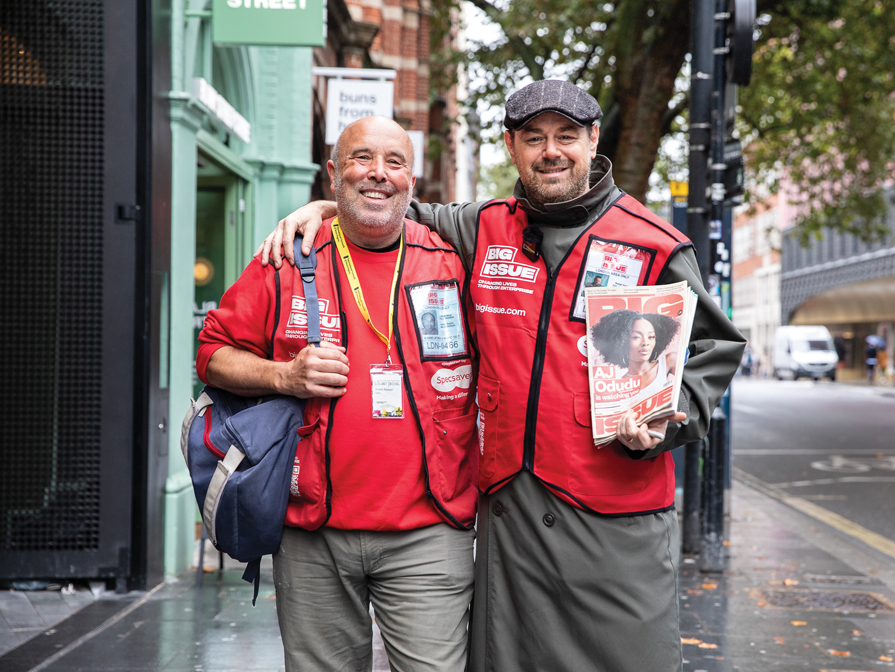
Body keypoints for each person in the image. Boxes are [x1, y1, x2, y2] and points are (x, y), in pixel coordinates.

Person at [260, 80, 746, 672]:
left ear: (593, 140)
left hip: (609, 520)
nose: (551, 151)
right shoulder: (482, 227)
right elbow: (392, 206)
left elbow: (714, 346)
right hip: (511, 518)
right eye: (534, 138)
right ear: (512, 148)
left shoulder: (653, 244)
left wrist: (668, 420)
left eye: (567, 136)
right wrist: (327, 205)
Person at [198, 117, 478, 672]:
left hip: (429, 531)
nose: (378, 173)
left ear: (413, 180)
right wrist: (284, 376)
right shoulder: (286, 257)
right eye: (360, 158)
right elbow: (212, 352)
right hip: (312, 532)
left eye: (394, 162)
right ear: (332, 173)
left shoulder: (453, 262)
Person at [591, 309, 679, 397]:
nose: (645, 342)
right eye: (636, 337)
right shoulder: (617, 386)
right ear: (622, 341)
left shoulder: (669, 361)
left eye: (651, 337)